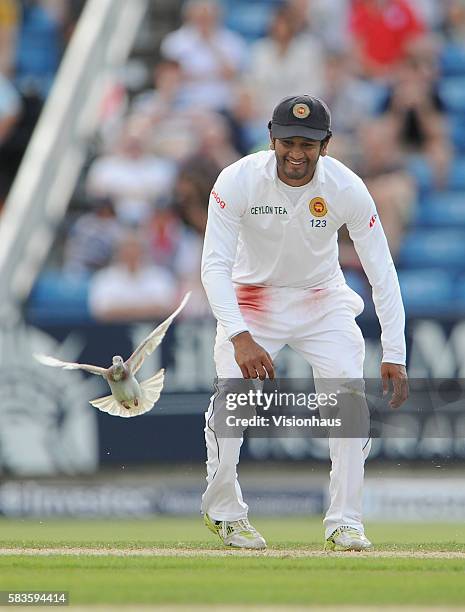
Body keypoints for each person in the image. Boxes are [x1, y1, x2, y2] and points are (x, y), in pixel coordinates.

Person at [200, 94, 409, 551]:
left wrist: (395, 351)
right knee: (232, 404)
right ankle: (226, 515)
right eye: (289, 142)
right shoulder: (237, 180)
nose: (298, 153)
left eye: (309, 144)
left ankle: (345, 522)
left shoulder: (347, 187)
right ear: (271, 139)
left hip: (322, 299)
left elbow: (381, 270)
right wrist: (239, 335)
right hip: (251, 298)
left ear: (326, 145)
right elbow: (214, 266)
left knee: (349, 405)